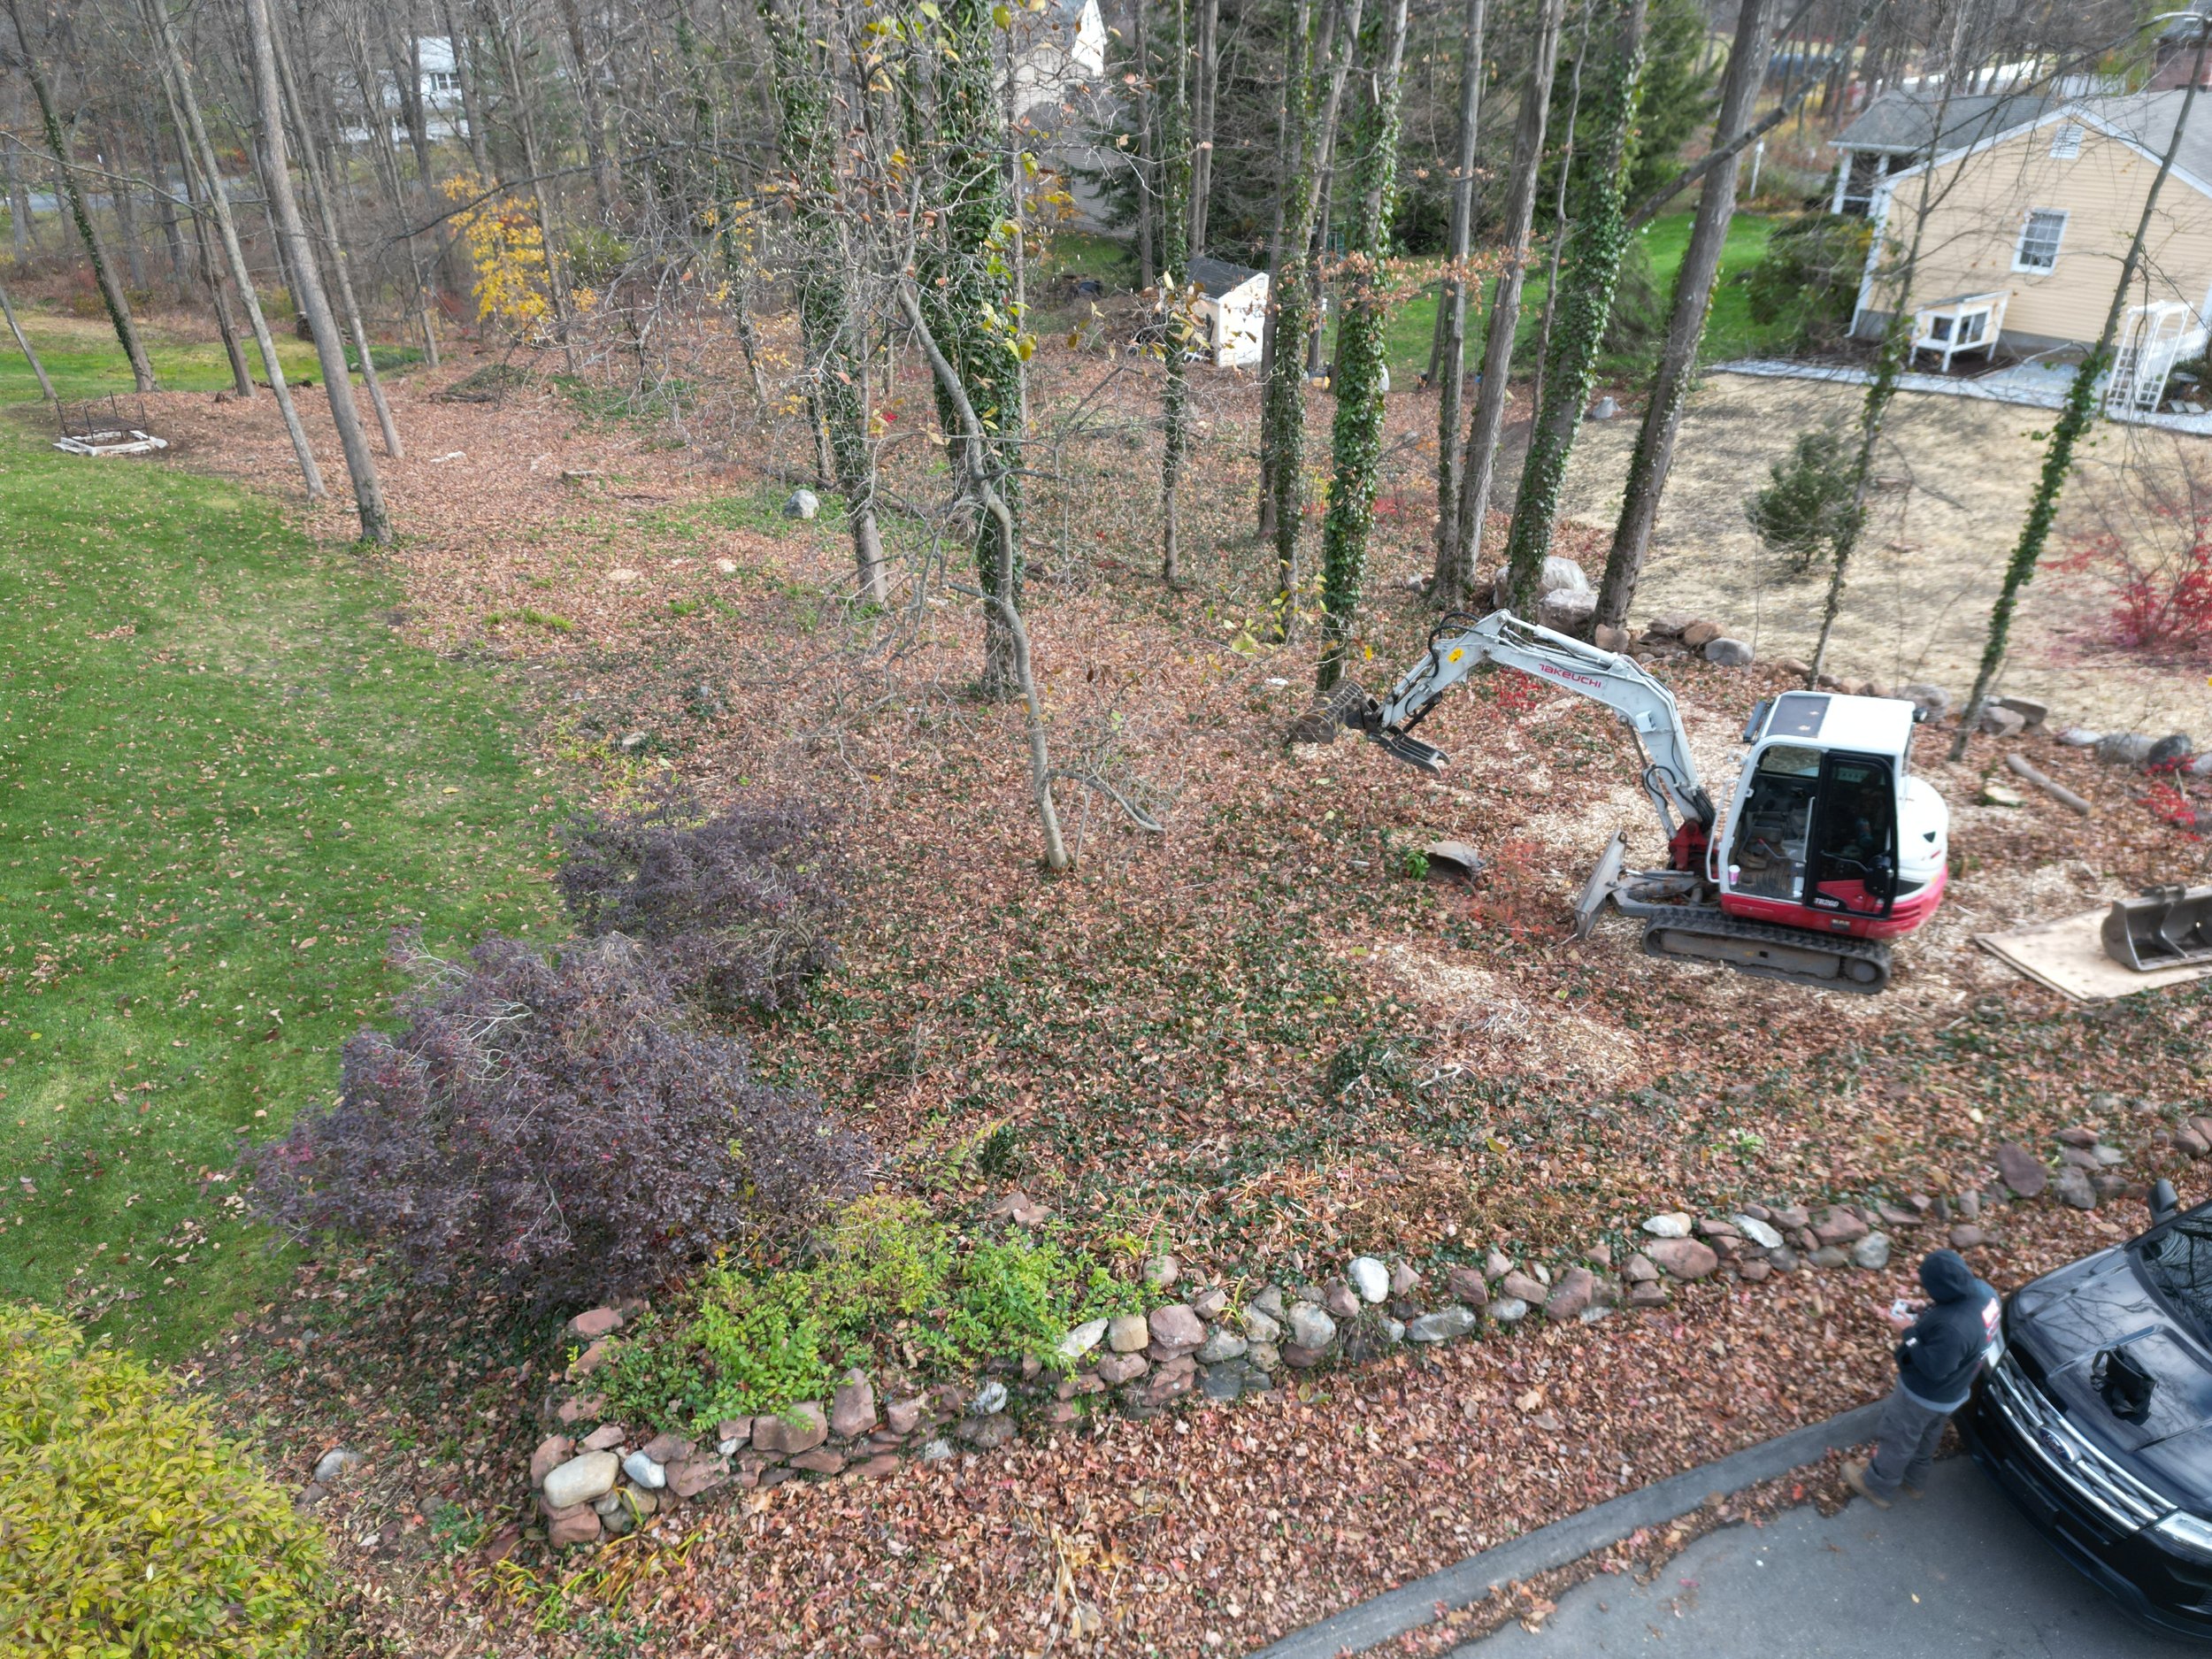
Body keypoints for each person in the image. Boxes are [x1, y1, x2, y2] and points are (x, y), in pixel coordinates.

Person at [1843, 1248, 2001, 1509]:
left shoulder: (1954, 1329)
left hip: (1924, 1395)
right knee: (1927, 1435)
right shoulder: (1986, 1293)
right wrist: (1926, 1309)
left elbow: (1934, 1368)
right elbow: (1957, 1323)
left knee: (1899, 1437)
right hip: (1954, 1392)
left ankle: (1877, 1486)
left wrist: (1908, 1333)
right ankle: (1913, 1482)